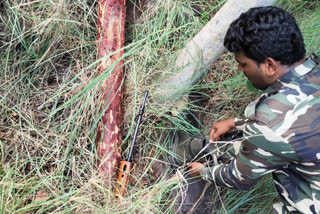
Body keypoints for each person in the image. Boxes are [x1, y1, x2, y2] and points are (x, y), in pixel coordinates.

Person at [181, 6, 320, 214]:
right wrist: (237, 122)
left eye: (244, 64)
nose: (240, 69)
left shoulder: (269, 124)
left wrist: (204, 173)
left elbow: (239, 177)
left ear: (269, 66)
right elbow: (293, 120)